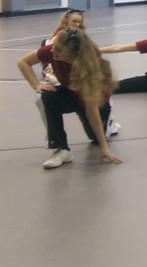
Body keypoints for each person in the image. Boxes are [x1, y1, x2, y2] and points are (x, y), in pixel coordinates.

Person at [17, 28, 122, 168]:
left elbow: (91, 110)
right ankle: (61, 149)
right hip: (71, 92)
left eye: (59, 50)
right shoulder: (52, 51)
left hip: (95, 102)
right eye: (54, 47)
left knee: (95, 138)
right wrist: (36, 85)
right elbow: (23, 62)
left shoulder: (89, 70)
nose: (53, 51)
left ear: (74, 54)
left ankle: (109, 124)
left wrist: (104, 147)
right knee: (47, 98)